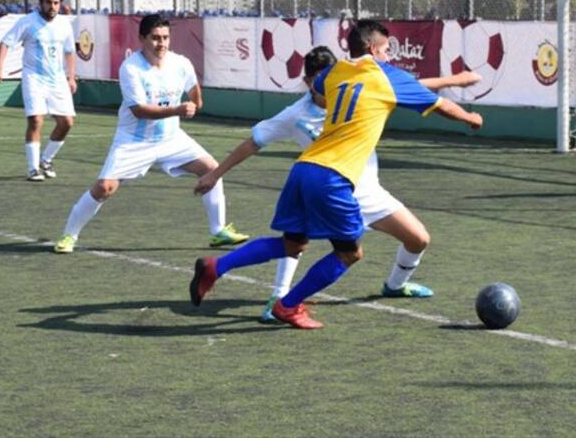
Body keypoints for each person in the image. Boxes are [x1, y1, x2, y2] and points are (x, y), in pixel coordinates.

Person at [189, 20, 483, 329]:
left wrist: (453, 80)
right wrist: (470, 118)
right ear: (372, 49)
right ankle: (286, 304)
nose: (388, 57)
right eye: (385, 50)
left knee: (293, 244)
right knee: (349, 253)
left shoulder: (332, 75)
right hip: (336, 179)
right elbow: (439, 105)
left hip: (305, 170)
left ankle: (216, 266)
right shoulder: (380, 78)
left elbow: (330, 88)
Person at [53, 14, 249, 253]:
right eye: (155, 38)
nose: (161, 43)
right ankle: (69, 235)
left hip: (171, 138)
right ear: (142, 38)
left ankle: (218, 232)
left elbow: (194, 91)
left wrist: (195, 101)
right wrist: (177, 109)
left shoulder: (181, 63)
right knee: (104, 187)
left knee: (212, 169)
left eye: (165, 38)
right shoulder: (131, 68)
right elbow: (139, 110)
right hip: (134, 140)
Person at [0, 0, 77, 181]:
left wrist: (71, 77)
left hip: (57, 80)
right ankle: (32, 168)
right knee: (36, 120)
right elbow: (6, 42)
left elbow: (70, 51)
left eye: (56, 3)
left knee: (67, 123)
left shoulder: (64, 24)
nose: (52, 7)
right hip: (34, 79)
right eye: (48, 2)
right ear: (40, 3)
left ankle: (46, 160)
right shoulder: (28, 22)